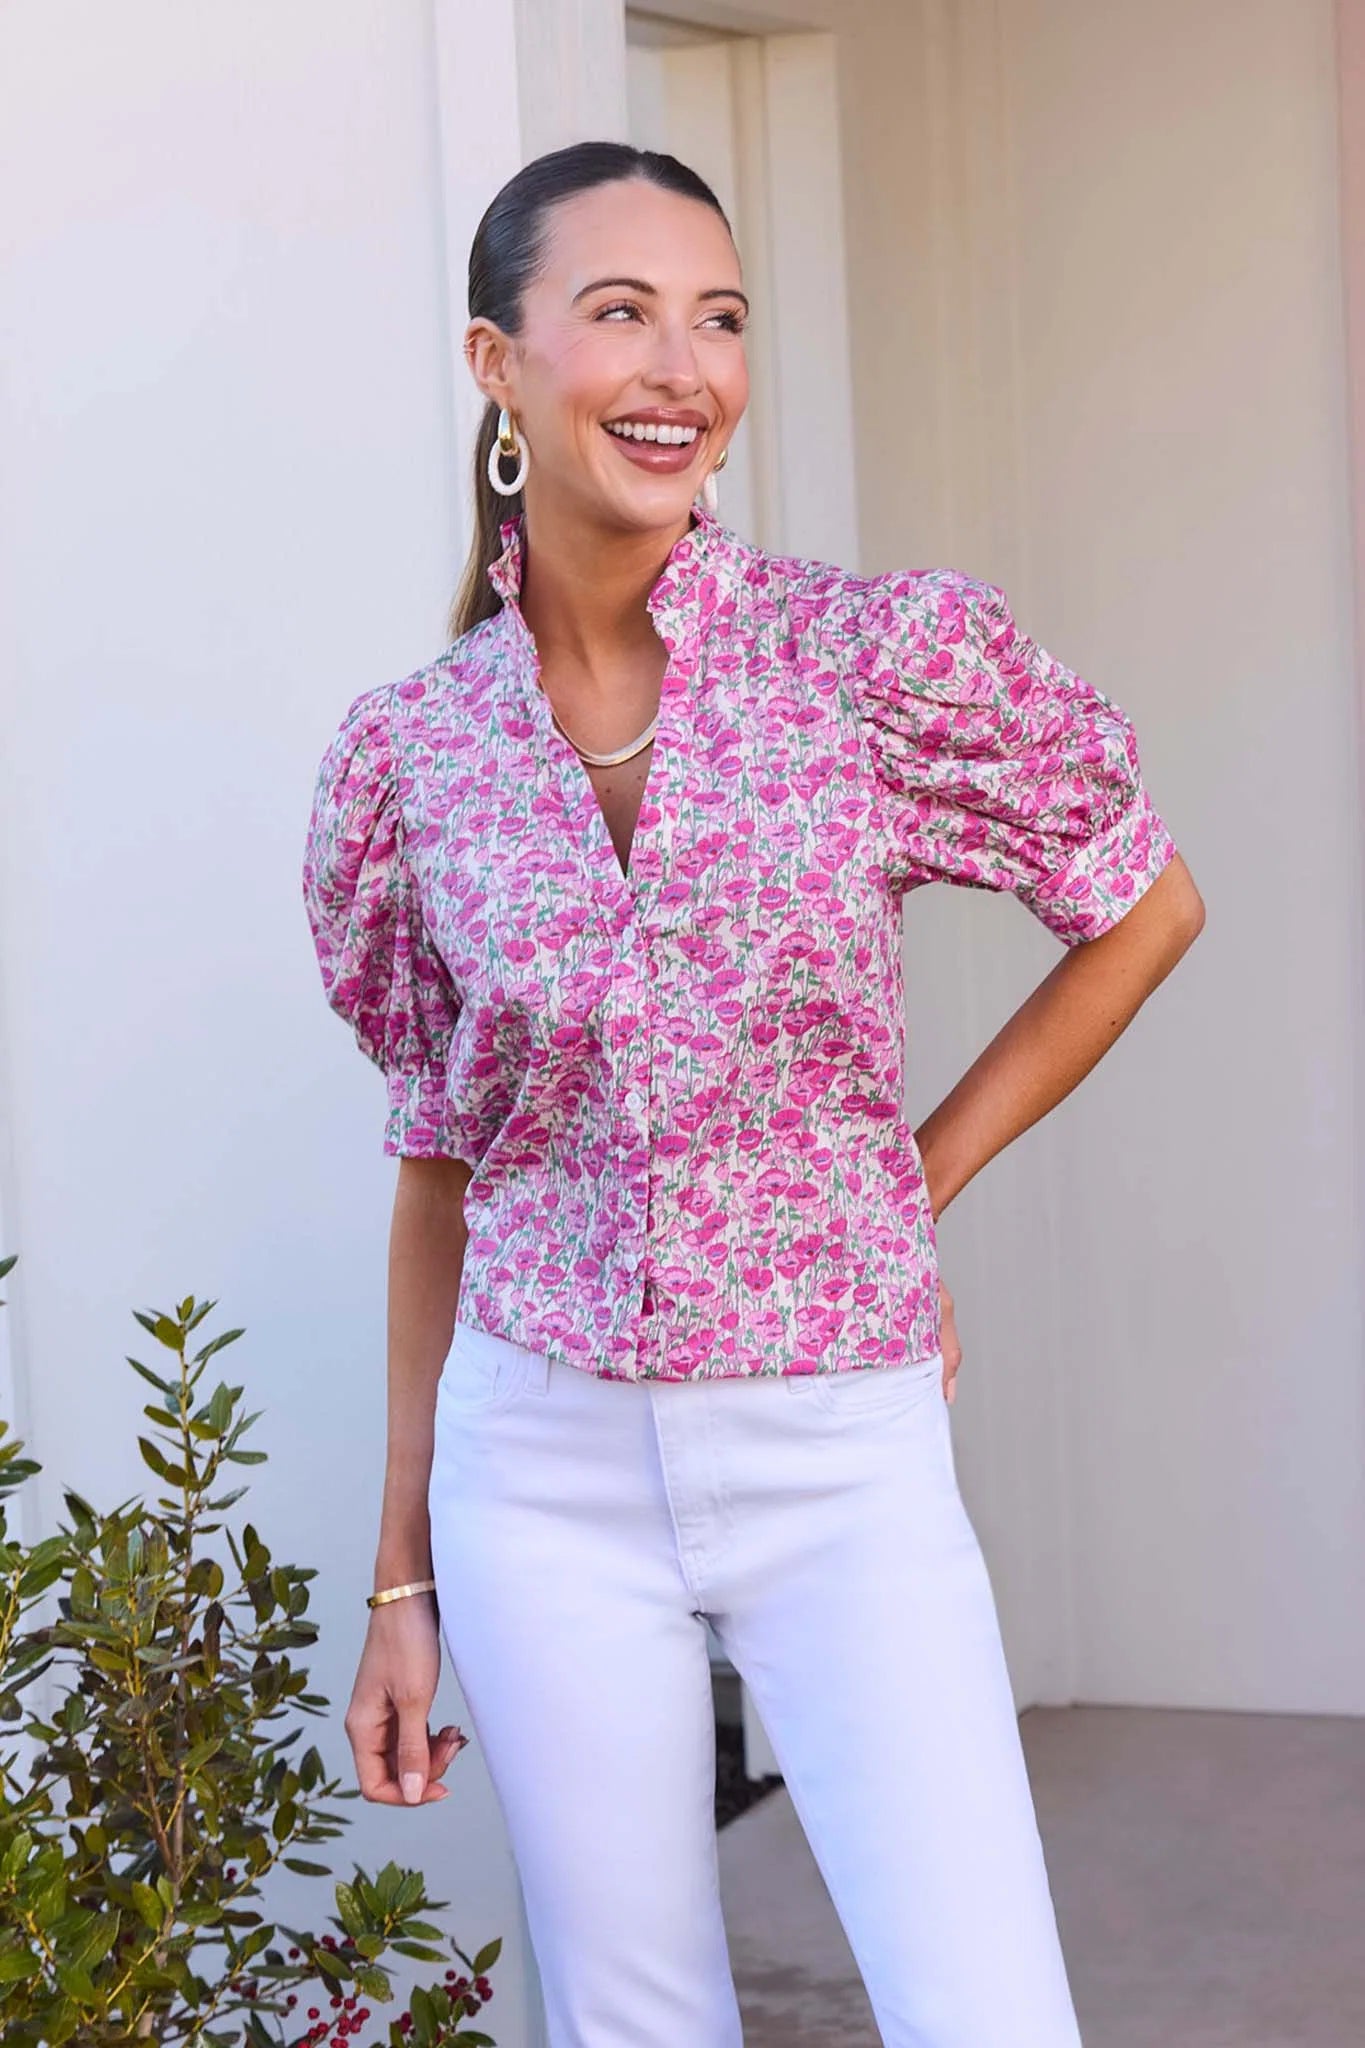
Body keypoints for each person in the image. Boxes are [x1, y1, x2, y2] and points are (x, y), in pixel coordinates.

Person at [301, 139, 1204, 2048]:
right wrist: (400, 1574)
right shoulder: (412, 757)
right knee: (628, 2018)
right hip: (536, 1461)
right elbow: (440, 1164)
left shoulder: (860, 661)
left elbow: (1140, 904)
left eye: (715, 319)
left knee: (986, 2015)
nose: (679, 368)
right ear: (494, 362)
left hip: (836, 1446)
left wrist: (902, 1188)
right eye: (619, 311)